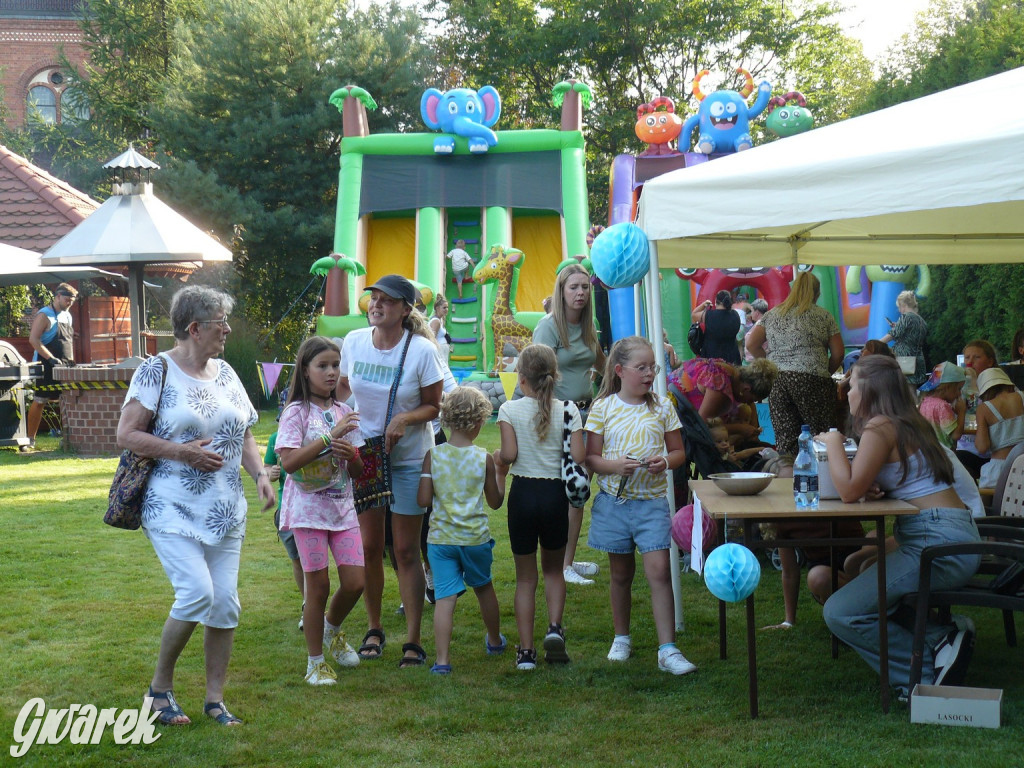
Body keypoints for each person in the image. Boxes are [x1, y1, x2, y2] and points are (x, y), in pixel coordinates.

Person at [116, 286, 276, 726]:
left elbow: (243, 431)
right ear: (194, 328)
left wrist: (260, 475)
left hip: (226, 508)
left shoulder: (225, 371)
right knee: (197, 594)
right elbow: (127, 435)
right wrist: (183, 452)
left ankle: (214, 699)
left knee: (224, 604)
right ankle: (159, 691)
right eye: (219, 322)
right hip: (171, 506)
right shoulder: (155, 370)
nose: (226, 329)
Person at [819, 355, 981, 697]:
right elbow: (881, 482)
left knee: (840, 612)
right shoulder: (905, 421)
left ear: (870, 390)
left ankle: (921, 673)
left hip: (936, 543)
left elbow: (848, 491)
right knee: (862, 576)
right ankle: (941, 637)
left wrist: (832, 441)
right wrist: (875, 487)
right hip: (949, 534)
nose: (847, 390)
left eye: (853, 382)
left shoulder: (880, 427)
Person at [338, 274, 443, 667]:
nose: (376, 305)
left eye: (386, 300)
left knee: (404, 550)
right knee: (368, 548)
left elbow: (435, 405)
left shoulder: (421, 351)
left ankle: (414, 640)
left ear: (404, 309)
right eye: (373, 298)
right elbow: (343, 389)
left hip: (410, 457)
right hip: (365, 455)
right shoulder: (354, 342)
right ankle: (374, 628)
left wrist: (405, 420)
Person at [584, 336, 695, 675]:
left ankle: (668, 649)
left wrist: (665, 460)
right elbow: (591, 458)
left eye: (653, 367)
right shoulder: (602, 408)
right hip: (615, 504)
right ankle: (621, 637)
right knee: (620, 575)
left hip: (651, 504)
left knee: (659, 572)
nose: (649, 374)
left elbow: (679, 453)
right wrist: (616, 466)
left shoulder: (662, 406)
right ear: (619, 371)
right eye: (642, 367)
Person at [276, 336, 366, 685]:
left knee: (356, 582)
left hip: (342, 510)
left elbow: (358, 471)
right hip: (307, 512)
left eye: (335, 365)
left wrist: (352, 456)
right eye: (323, 366)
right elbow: (288, 462)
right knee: (318, 587)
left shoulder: (345, 412)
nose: (331, 373)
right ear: (305, 369)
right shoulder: (295, 412)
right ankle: (315, 663)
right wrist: (330, 438)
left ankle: (331, 629)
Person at [495, 344, 583, 670]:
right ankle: (555, 629)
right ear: (554, 375)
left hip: (522, 496)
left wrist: (497, 461)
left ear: (521, 379)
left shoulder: (509, 410)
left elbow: (508, 455)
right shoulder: (569, 410)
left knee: (525, 579)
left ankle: (526, 652)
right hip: (555, 497)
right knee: (553, 571)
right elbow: (579, 457)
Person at [417, 386, 505, 674]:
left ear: (446, 418)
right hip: (475, 539)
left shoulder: (433, 455)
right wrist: (501, 474)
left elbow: (423, 500)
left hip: (440, 541)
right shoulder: (484, 459)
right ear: (480, 423)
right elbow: (494, 502)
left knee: (445, 599)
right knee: (484, 588)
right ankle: (494, 640)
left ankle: (442, 661)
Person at [532, 264, 604, 586]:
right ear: (561, 291)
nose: (580, 293)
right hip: (560, 419)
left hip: (588, 416)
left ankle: (567, 562)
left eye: (585, 287)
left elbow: (604, 362)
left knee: (579, 491)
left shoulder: (591, 325)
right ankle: (559, 565)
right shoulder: (548, 328)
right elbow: (534, 376)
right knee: (561, 494)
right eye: (573, 287)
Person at [746, 271, 844, 457]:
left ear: (793, 290)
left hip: (779, 380)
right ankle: (822, 481)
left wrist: (771, 364)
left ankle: (789, 479)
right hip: (814, 380)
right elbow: (839, 353)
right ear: (816, 293)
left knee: (786, 439)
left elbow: (751, 344)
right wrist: (825, 370)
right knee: (820, 436)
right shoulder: (823, 316)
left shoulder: (773, 314)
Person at [668, 357, 777, 445]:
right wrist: (739, 429)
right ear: (746, 389)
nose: (749, 403)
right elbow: (702, 427)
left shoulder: (732, 373)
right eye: (752, 399)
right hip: (672, 414)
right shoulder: (720, 387)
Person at [24, 283, 78, 452]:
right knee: (40, 401)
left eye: (72, 300)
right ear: (57, 297)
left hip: (66, 365)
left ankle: (68, 440)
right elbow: (34, 340)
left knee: (67, 400)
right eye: (66, 299)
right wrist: (51, 358)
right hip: (46, 365)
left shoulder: (68, 316)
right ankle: (29, 441)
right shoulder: (44, 315)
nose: (69, 302)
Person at [264, 422, 305, 631]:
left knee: (313, 562)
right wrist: (271, 472)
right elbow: (267, 468)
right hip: (286, 509)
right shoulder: (275, 438)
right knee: (298, 560)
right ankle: (309, 605)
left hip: (312, 507)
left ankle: (314, 606)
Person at [974, 366, 1024, 489]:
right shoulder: (1022, 396)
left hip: (1000, 468)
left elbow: (982, 447)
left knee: (984, 501)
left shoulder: (984, 408)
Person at [956, 339, 999, 479]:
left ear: (990, 361)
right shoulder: (957, 388)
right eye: (967, 357)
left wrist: (973, 385)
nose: (970, 362)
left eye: (977, 357)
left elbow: (973, 420)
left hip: (993, 452)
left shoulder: (999, 388)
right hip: (966, 450)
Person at [879, 290, 928, 387]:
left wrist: (876, 343)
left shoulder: (905, 317)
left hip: (905, 360)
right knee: (914, 392)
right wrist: (898, 326)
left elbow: (892, 335)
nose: (899, 310)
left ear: (903, 305)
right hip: (918, 360)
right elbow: (911, 334)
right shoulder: (921, 321)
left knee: (905, 391)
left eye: (899, 307)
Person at [918, 362, 967, 449]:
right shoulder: (942, 406)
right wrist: (961, 412)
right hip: (945, 455)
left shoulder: (924, 402)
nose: (959, 394)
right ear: (947, 387)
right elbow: (956, 435)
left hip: (930, 452)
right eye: (959, 389)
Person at [691, 290, 740, 365]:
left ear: (716, 301)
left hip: (711, 358)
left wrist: (703, 305)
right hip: (732, 357)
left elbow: (694, 315)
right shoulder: (735, 315)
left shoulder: (709, 315)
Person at [742, 298, 769, 363]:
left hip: (754, 361)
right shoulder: (765, 322)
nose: (751, 314)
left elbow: (752, 345)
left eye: (752, 311)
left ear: (757, 313)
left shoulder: (760, 325)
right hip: (756, 360)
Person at [429, 294, 451, 364]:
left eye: (447, 307)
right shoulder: (436, 321)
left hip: (442, 353)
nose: (446, 309)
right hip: (439, 353)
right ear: (437, 308)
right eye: (444, 308)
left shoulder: (440, 320)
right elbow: (432, 339)